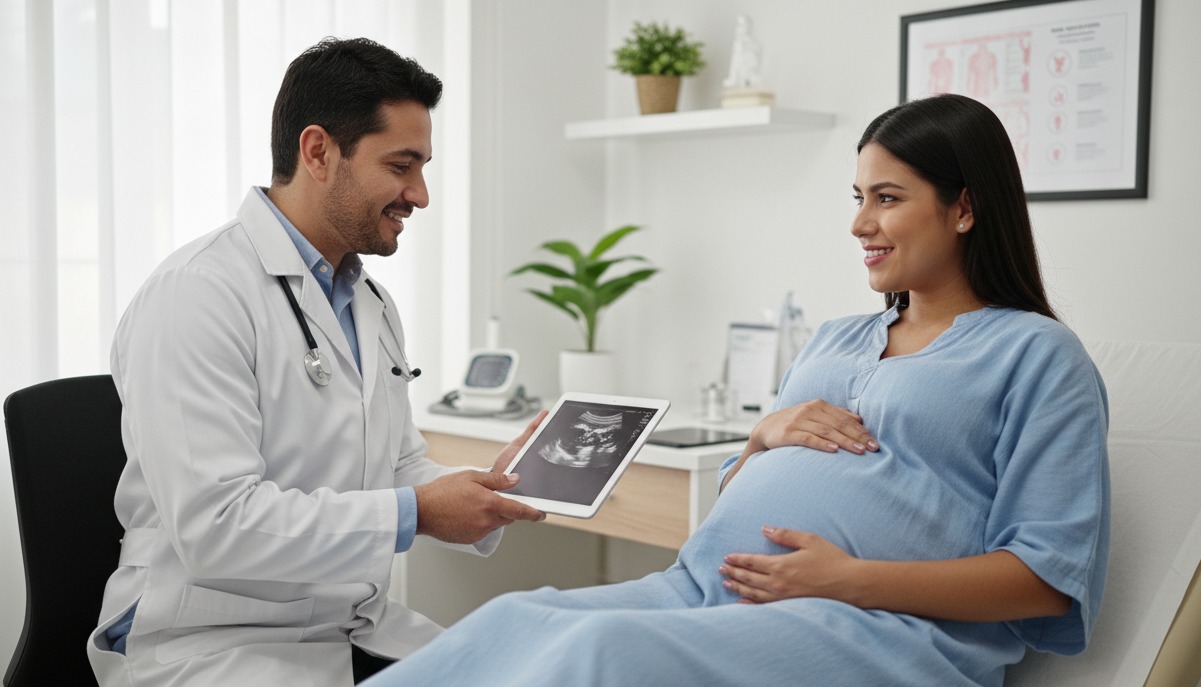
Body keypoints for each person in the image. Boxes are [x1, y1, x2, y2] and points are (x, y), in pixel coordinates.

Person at [363, 93, 1110, 687]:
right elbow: (738, 497)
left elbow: (1047, 580)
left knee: (602, 651)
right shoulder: (836, 337)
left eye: (886, 198)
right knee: (514, 619)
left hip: (882, 629)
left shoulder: (1036, 356)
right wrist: (759, 437)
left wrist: (849, 580)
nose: (859, 223)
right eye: (857, 196)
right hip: (700, 589)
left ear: (964, 208)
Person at [85, 37, 546, 686]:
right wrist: (416, 512)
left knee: (540, 663)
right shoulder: (197, 293)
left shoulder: (369, 302)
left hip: (341, 624)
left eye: (422, 168)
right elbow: (216, 527)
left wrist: (489, 486)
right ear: (319, 152)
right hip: (209, 639)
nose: (420, 195)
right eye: (402, 165)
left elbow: (396, 464)